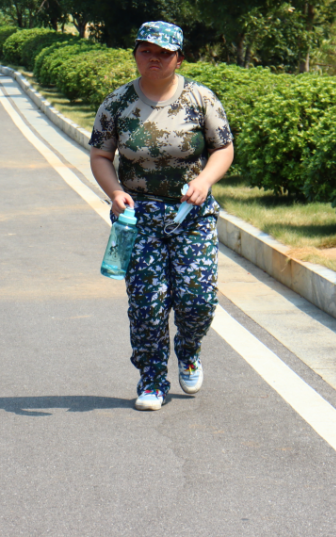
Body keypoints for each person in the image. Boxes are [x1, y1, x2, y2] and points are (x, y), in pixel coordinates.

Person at [87, 21, 234, 412]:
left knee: (196, 299)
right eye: (146, 51)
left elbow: (223, 148)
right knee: (148, 303)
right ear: (135, 54)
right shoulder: (117, 103)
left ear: (179, 58)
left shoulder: (200, 98)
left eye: (164, 53)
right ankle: (152, 379)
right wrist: (115, 192)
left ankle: (188, 350)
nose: (154, 59)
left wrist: (204, 180)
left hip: (192, 214)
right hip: (140, 216)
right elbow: (101, 156)